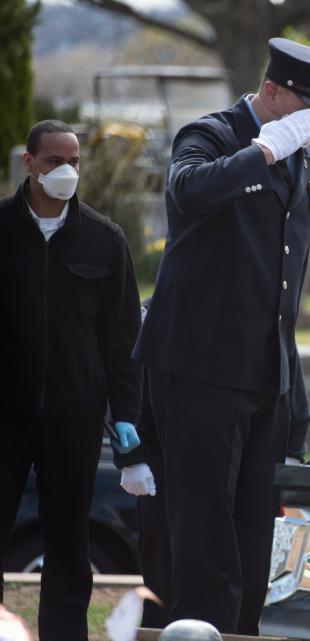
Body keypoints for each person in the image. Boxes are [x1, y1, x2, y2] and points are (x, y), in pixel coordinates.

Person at [132, 38, 310, 633]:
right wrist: (263, 150)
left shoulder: (302, 154)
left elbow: (285, 277)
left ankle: (240, 632)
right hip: (198, 365)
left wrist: (292, 392)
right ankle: (198, 629)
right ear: (272, 91)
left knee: (256, 533)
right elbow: (189, 191)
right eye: (304, 107)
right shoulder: (213, 134)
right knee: (203, 530)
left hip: (263, 375)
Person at [0, 120, 142, 640]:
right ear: (30, 163)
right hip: (6, 416)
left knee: (67, 549)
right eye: (55, 160)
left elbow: (123, 339)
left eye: (75, 162)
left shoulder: (104, 240)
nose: (66, 171)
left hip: (74, 418)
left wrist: (127, 417)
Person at [115, 298, 310, 628]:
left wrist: (292, 448)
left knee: (242, 569)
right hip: (160, 462)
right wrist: (131, 457)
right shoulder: (153, 313)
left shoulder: (260, 316)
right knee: (167, 574)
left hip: (239, 460)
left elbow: (288, 377)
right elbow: (129, 385)